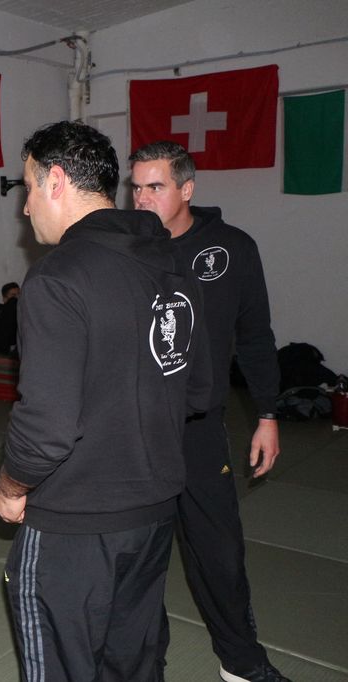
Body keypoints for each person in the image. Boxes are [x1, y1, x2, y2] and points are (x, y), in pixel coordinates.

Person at [0, 121, 211, 681]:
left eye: (29, 188)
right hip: (153, 513)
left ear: (56, 181)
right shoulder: (174, 265)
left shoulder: (57, 278)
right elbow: (198, 389)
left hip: (74, 524)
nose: (25, 207)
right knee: (131, 666)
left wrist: (10, 488)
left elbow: (46, 429)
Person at [131, 141, 288, 682]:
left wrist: (267, 414)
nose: (142, 198)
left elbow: (256, 336)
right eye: (136, 187)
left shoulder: (232, 248)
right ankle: (144, 667)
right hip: (135, 431)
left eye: (155, 186)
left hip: (198, 430)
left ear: (187, 189)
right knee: (138, 560)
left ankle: (241, 663)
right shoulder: (126, 249)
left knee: (219, 552)